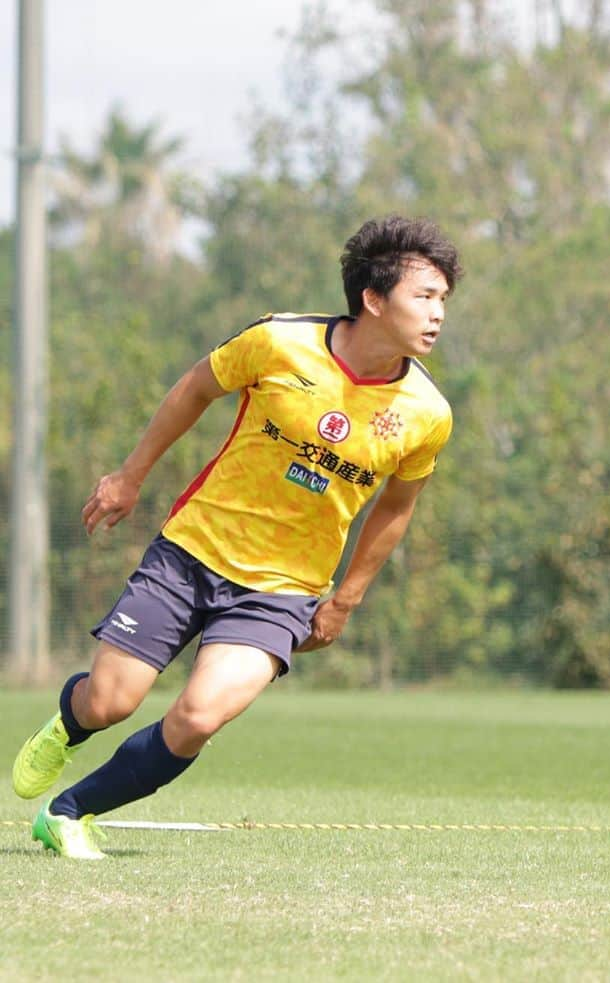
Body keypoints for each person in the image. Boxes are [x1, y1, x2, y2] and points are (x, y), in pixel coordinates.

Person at [11, 215, 463, 859]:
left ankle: (69, 812)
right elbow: (196, 387)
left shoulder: (427, 413)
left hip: (282, 592)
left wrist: (344, 601)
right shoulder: (279, 342)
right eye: (425, 296)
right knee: (110, 702)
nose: (438, 313)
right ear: (372, 298)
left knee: (198, 717)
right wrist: (129, 476)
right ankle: (68, 722)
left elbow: (396, 507)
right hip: (191, 553)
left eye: (444, 299)